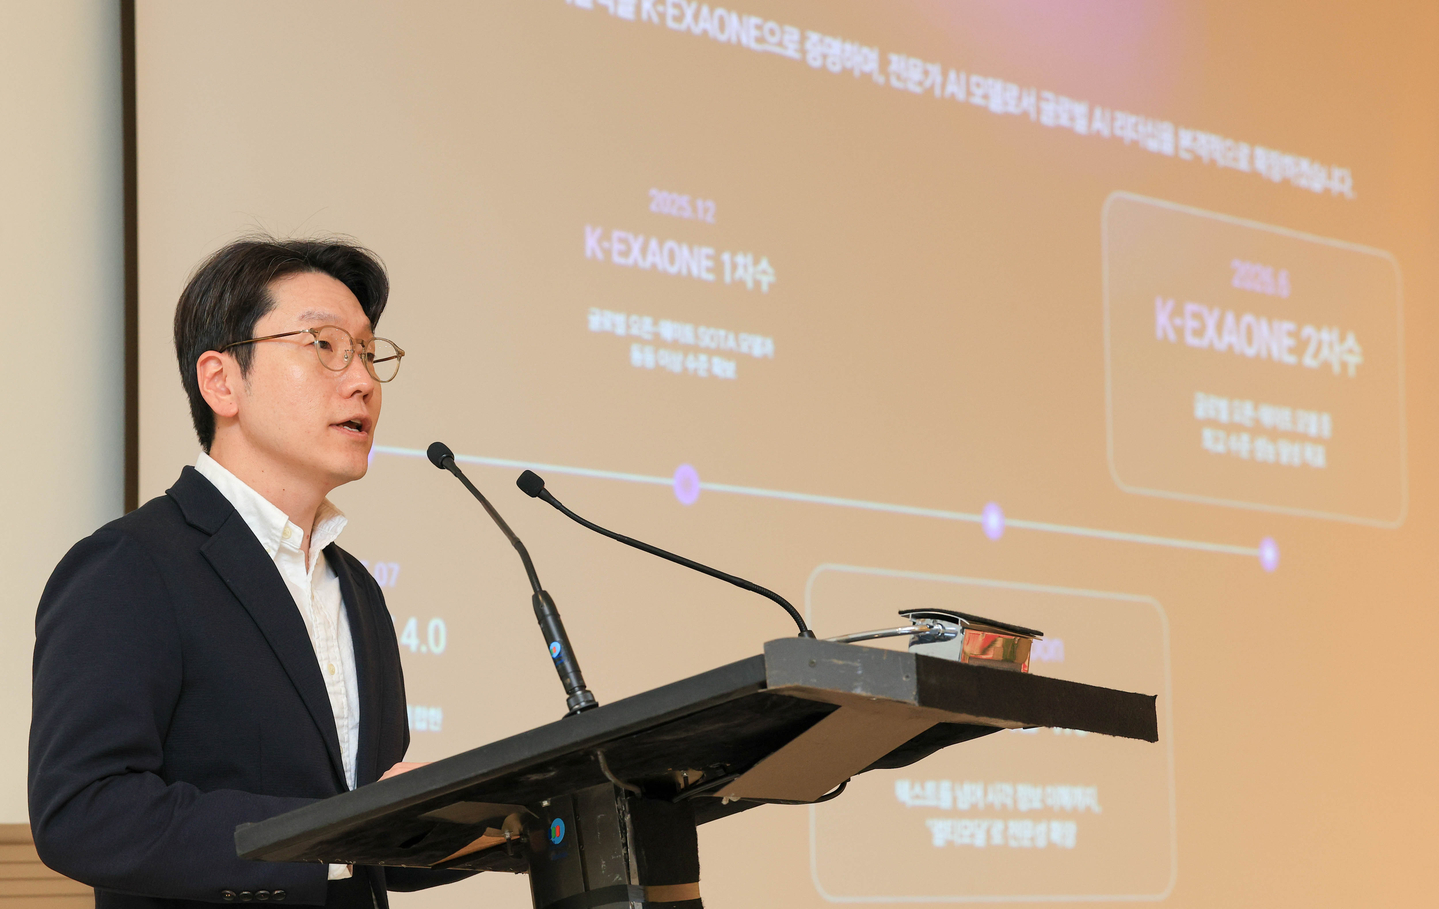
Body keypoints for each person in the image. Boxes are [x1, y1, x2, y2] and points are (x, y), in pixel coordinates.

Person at [29, 237, 462, 909]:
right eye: (324, 345)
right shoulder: (132, 565)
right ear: (220, 381)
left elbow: (369, 854)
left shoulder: (356, 590)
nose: (362, 381)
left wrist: (486, 815)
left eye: (369, 353)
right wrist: (329, 838)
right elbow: (84, 809)